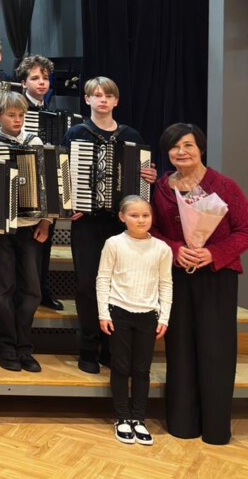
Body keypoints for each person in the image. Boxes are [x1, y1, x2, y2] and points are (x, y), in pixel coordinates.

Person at [150, 123, 248, 445]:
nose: (181, 152)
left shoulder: (224, 185)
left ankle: (216, 429)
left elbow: (244, 230)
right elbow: (153, 231)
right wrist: (176, 249)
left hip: (217, 276)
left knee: (216, 350)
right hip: (178, 276)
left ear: (201, 148)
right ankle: (183, 424)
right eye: (174, 147)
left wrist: (213, 253)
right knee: (180, 349)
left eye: (188, 145)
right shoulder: (161, 189)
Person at [63, 77, 154, 374]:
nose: (103, 100)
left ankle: (111, 347)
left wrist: (148, 178)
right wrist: (69, 203)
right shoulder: (76, 133)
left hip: (121, 225)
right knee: (87, 284)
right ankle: (88, 348)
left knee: (117, 284)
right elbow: (62, 172)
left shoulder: (131, 135)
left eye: (108, 95)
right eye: (97, 95)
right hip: (87, 224)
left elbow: (142, 182)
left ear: (116, 101)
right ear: (87, 99)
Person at [0, 91, 50, 372]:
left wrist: (46, 221)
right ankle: (6, 346)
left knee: (31, 290)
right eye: (11, 115)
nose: (17, 120)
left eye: (21, 115)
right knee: (2, 289)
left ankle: (24, 346)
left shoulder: (35, 142)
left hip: (30, 228)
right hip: (2, 230)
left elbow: (46, 185)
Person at [97, 194, 172, 445]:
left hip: (148, 316)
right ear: (122, 217)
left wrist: (164, 316)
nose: (141, 220)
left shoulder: (162, 249)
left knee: (141, 369)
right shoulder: (114, 244)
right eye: (134, 215)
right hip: (119, 313)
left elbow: (166, 284)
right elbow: (103, 279)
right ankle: (122, 418)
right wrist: (103, 313)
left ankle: (139, 418)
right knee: (120, 367)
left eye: (145, 215)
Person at [17, 53, 65, 310]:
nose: (41, 82)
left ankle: (43, 290)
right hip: (23, 182)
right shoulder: (17, 108)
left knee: (45, 241)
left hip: (48, 182)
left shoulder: (52, 112)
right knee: (25, 244)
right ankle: (26, 292)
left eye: (45, 78)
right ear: (23, 83)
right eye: (35, 78)